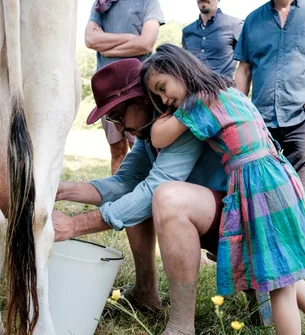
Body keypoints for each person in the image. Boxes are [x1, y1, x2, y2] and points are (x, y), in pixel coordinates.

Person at [140, 43, 305, 335]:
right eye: (158, 96)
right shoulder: (225, 89)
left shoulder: (199, 102)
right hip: (279, 177)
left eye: (162, 87)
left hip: (260, 185)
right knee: (285, 272)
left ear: (178, 70)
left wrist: (167, 114)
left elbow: (158, 138)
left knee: (279, 287)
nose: (165, 99)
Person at [53, 58, 229, 335]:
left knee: (166, 198)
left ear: (143, 100)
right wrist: (60, 190)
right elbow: (125, 183)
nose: (120, 128)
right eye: (113, 120)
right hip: (213, 214)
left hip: (243, 220)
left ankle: (182, 326)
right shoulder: (150, 132)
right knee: (138, 197)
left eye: (119, 115)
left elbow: (152, 191)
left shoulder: (182, 123)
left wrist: (75, 226)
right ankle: (145, 293)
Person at [234, 0, 305, 194]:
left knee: (298, 193)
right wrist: (238, 112)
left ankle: (297, 224)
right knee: (262, 192)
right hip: (261, 122)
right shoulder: (253, 20)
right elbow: (244, 70)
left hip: (304, 117)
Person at [85, 0, 164, 174]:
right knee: (116, 150)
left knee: (141, 148)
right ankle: (118, 193)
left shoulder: (148, 3)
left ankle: (144, 194)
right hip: (108, 94)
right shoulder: (101, 4)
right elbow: (90, 40)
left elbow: (146, 44)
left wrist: (106, 48)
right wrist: (130, 38)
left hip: (136, 92)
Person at [182, 0, 243, 79]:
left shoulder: (235, 25)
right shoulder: (187, 31)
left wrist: (239, 91)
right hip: (193, 89)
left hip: (223, 89)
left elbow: (246, 65)